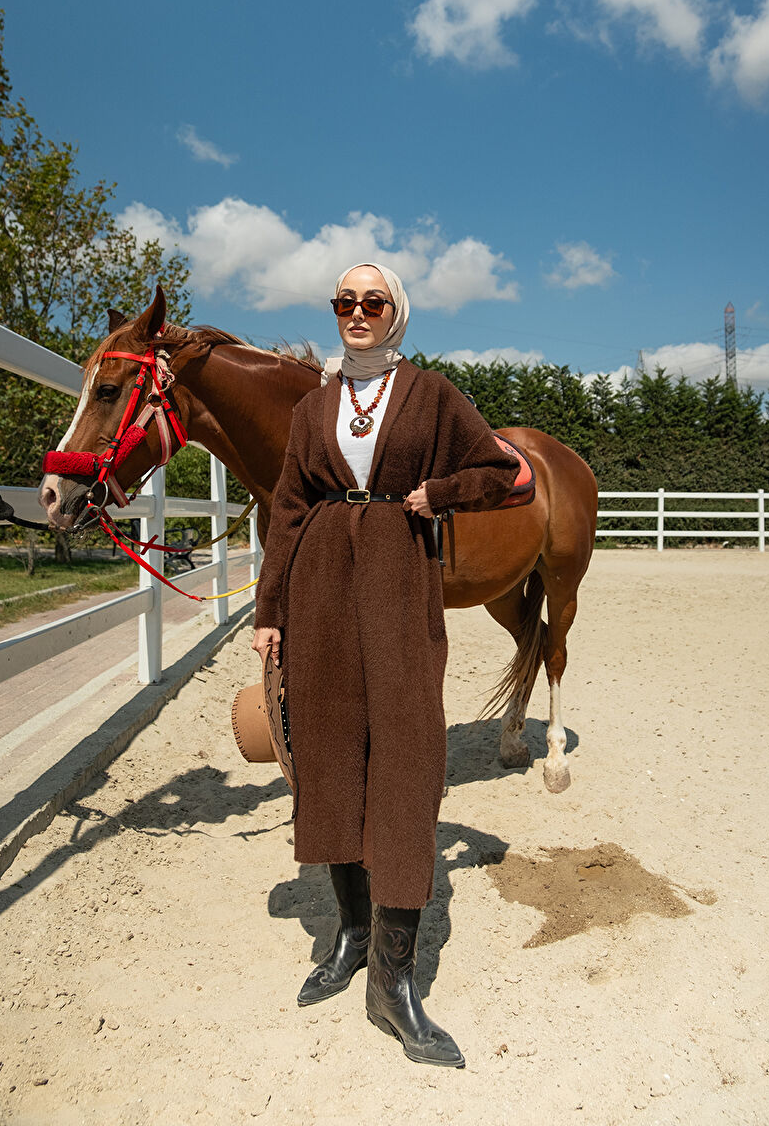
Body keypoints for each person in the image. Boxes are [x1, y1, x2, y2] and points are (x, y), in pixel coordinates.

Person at [251, 262, 519, 1069]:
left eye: (373, 301)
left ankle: (391, 983)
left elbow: (503, 472)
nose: (357, 312)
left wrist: (438, 493)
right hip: (321, 586)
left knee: (405, 756)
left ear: (396, 311)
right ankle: (351, 936)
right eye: (345, 302)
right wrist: (270, 614)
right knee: (331, 757)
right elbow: (290, 509)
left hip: (399, 583)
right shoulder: (311, 408)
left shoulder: (433, 395)